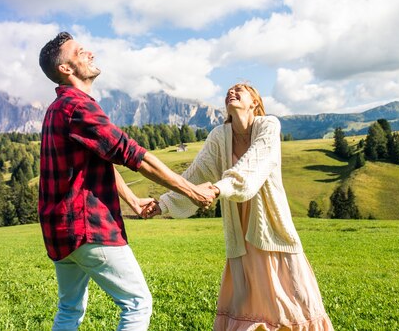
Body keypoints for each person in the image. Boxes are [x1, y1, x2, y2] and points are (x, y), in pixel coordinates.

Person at [37, 31, 217, 331]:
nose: (90, 53)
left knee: (69, 310)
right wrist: (192, 191)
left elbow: (101, 160)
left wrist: (132, 200)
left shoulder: (57, 109)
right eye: (80, 52)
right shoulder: (78, 106)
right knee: (137, 304)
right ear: (65, 69)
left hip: (59, 231)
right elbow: (135, 155)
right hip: (87, 228)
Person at [143, 83, 334, 331]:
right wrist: (164, 204)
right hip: (240, 235)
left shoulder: (268, 126)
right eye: (229, 91)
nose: (231, 92)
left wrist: (217, 189)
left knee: (295, 302)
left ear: (255, 102)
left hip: (272, 227)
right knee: (247, 305)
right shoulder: (219, 136)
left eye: (240, 90)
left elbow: (253, 166)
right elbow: (195, 174)